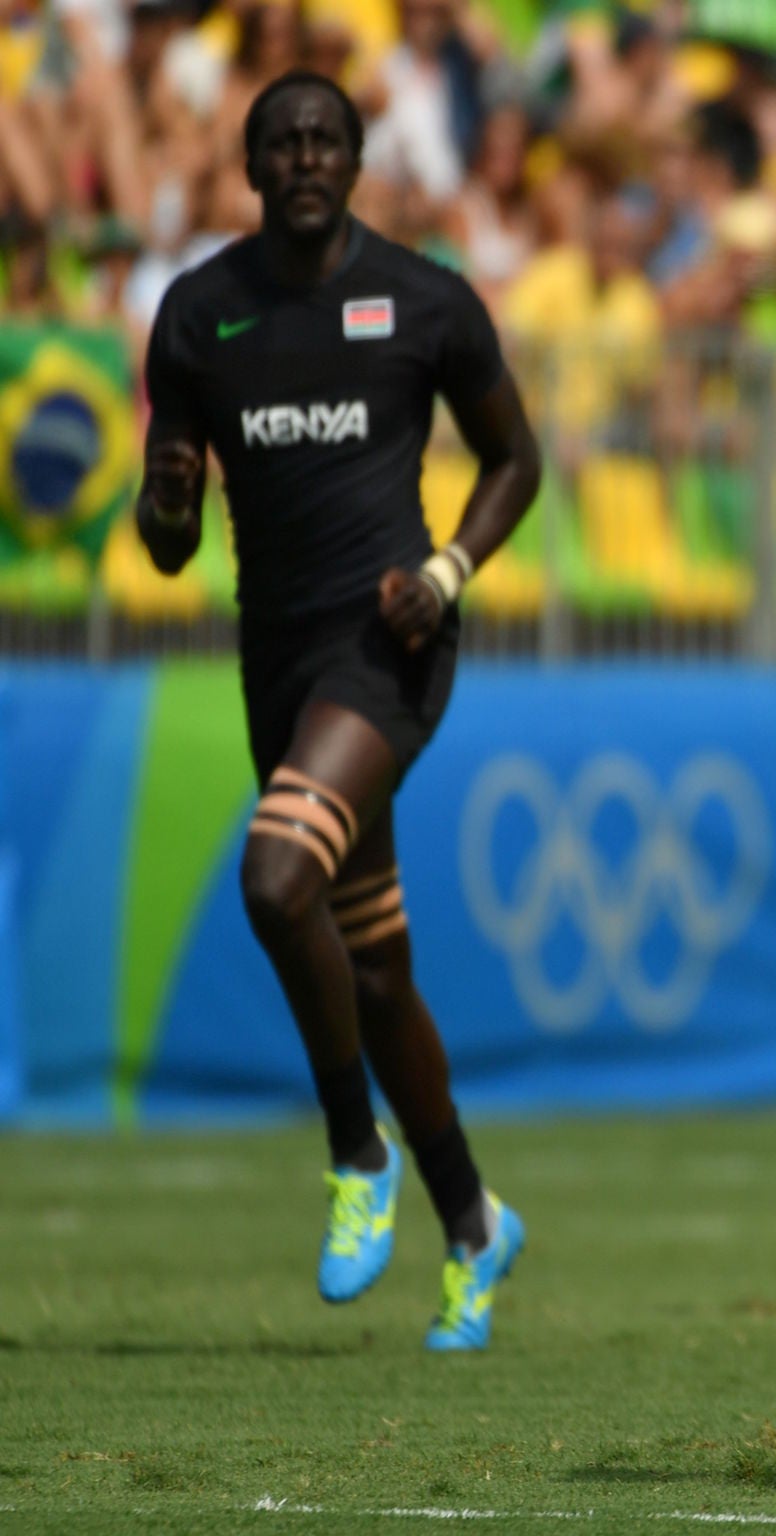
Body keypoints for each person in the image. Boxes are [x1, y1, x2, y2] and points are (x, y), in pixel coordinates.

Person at [137, 73, 542, 1350]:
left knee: (272, 882)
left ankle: (354, 1152)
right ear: (251, 167)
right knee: (373, 969)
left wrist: (448, 571)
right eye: (281, 143)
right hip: (279, 662)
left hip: (391, 646)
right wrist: (164, 506)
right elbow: (165, 533)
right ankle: (474, 1223)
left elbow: (515, 458)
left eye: (324, 139)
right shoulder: (200, 317)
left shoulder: (426, 299)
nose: (304, 157)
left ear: (358, 158)